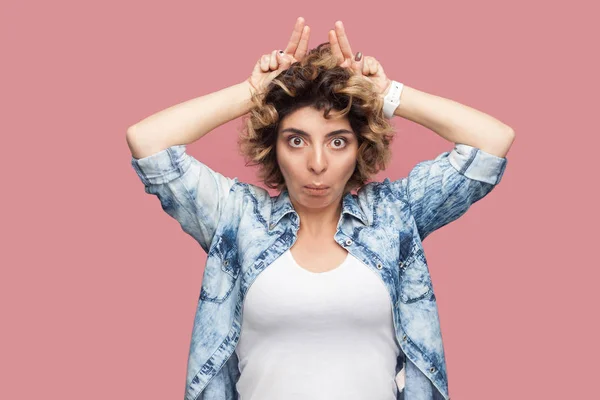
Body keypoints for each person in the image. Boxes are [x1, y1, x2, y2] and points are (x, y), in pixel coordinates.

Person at [127, 17, 514, 400]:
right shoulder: (237, 217)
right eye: (296, 141)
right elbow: (148, 142)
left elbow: (492, 142)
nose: (317, 163)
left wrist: (388, 94)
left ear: (361, 148)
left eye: (337, 142)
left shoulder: (394, 214)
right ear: (273, 147)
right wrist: (252, 92)